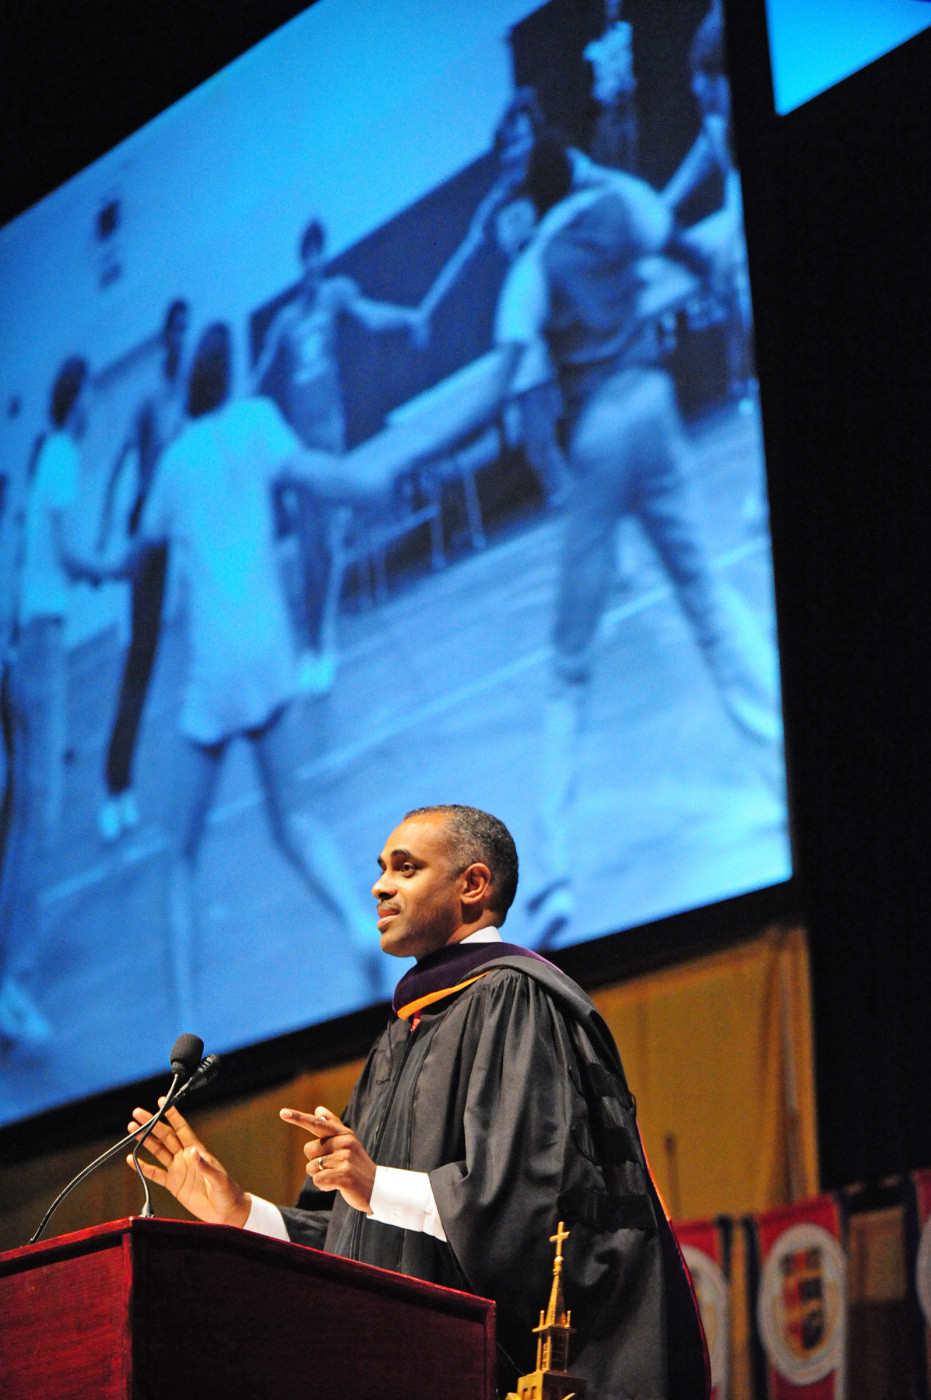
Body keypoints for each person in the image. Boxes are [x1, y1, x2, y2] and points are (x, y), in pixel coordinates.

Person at [127, 804, 708, 1398]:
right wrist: (241, 1212)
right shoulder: (404, 1032)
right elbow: (353, 1239)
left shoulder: (514, 999)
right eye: (381, 868)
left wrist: (376, 1184)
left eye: (405, 868)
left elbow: (524, 1201)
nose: (379, 886)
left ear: (473, 885)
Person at [92, 323, 400, 1024]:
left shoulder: (174, 463)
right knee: (294, 819)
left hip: (217, 671)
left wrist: (95, 566)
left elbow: (136, 556)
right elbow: (322, 477)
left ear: (187, 388)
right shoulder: (259, 424)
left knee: (179, 858)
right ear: (230, 375)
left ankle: (183, 1025)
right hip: (271, 654)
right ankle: (360, 926)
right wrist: (373, 482)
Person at [251, 218, 427, 695]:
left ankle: (323, 643)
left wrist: (409, 317)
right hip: (299, 441)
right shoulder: (286, 321)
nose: (315, 262)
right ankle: (311, 646)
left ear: (324, 258)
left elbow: (371, 317)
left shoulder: (336, 296)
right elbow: (259, 375)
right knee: (307, 549)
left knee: (327, 542)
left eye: (320, 253)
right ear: (300, 261)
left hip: (329, 434)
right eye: (308, 254)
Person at [0, 357, 99, 1046]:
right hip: (36, 642)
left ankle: (12, 972)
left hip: (27, 643)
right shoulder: (59, 454)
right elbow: (65, 552)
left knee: (25, 815)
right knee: (39, 814)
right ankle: (11, 980)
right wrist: (114, 563)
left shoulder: (41, 463)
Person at [96, 298, 190, 842]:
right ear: (164, 339)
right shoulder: (150, 398)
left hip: (176, 528)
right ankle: (115, 786)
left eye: (187, 330)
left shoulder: (188, 395)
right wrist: (107, 529)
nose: (182, 339)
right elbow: (119, 464)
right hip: (146, 530)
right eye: (175, 331)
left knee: (170, 648)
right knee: (142, 659)